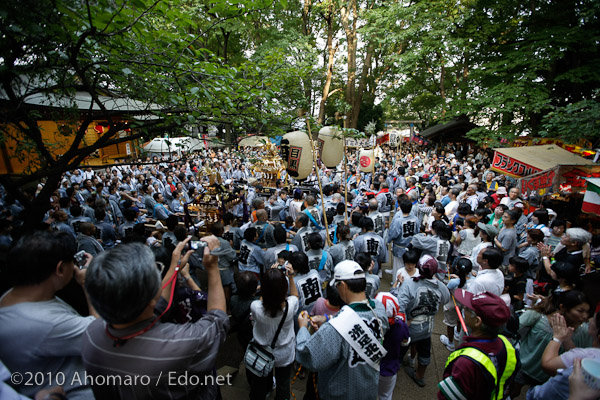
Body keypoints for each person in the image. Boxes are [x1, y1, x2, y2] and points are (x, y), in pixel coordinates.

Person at [82, 236, 230, 399]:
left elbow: (157, 304)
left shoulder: (92, 334)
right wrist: (212, 268)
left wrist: (174, 267)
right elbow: (217, 321)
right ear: (150, 297)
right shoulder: (180, 345)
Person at [0, 231, 96, 399]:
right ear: (60, 269)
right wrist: (87, 282)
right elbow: (100, 334)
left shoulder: (11, 296)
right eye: (71, 262)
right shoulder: (45, 322)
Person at [296, 260, 389, 400]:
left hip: (340, 393)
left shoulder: (333, 330)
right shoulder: (379, 309)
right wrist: (327, 319)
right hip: (368, 390)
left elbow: (308, 356)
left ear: (343, 286)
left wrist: (303, 328)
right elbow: (355, 319)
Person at [437, 289, 519, 400]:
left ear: (477, 321)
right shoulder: (507, 343)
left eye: (467, 309)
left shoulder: (465, 363)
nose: (464, 310)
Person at [514, 290, 592, 397]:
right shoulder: (538, 317)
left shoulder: (585, 332)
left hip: (550, 378)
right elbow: (513, 332)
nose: (584, 316)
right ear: (563, 308)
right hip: (523, 368)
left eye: (587, 312)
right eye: (580, 311)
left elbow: (582, 358)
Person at [397, 255, 450, 387]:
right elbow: (445, 300)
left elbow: (400, 306)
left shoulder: (409, 284)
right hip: (427, 327)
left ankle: (394, 371)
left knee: (400, 350)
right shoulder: (441, 286)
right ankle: (420, 375)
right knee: (424, 351)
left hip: (408, 327)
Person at [248, 267, 299, 400]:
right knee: (284, 382)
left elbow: (262, 302)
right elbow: (295, 296)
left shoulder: (255, 307)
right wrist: (291, 277)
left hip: (261, 352)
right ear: (284, 288)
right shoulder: (290, 306)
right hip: (284, 352)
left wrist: (269, 277)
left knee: (259, 383)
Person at [527, 311, 600, 400]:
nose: (590, 320)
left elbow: (547, 364)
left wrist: (557, 338)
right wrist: (567, 340)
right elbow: (573, 358)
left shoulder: (587, 355)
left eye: (594, 319)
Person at [376, 292, 411, 400]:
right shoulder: (401, 326)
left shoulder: (370, 324)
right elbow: (405, 341)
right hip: (389, 368)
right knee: (385, 396)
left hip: (371, 367)